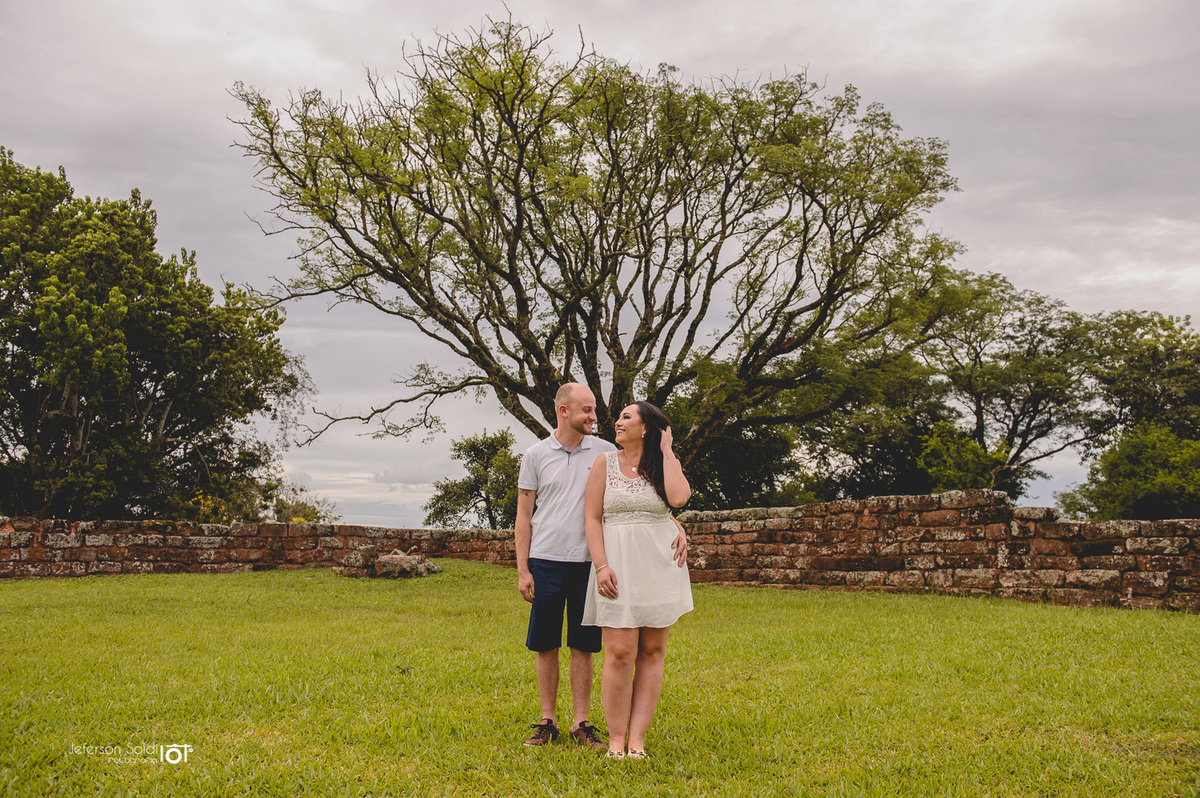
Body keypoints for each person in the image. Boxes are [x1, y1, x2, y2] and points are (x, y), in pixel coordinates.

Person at [581, 400, 693, 761]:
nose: (618, 421)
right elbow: (592, 518)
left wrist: (667, 449)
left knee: (652, 652)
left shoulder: (663, 463)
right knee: (619, 652)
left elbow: (679, 499)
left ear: (645, 428)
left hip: (659, 565)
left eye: (626, 417)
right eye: (619, 416)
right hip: (616, 565)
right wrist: (601, 566)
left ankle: (637, 740)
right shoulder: (605, 463)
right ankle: (616, 739)